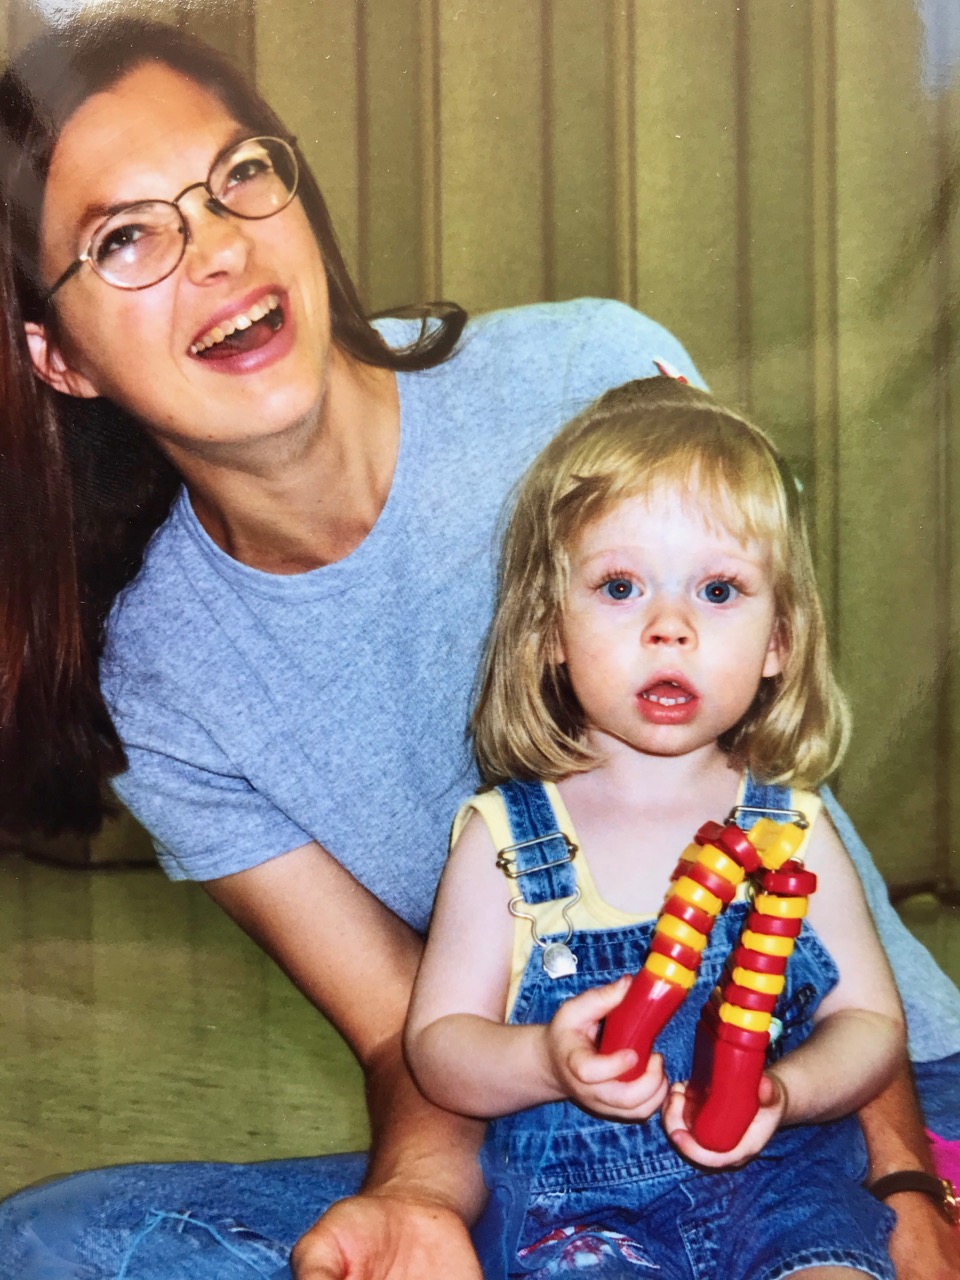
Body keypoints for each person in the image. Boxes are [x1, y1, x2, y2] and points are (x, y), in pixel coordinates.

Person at [0, 14, 956, 1280]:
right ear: (56, 357)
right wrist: (416, 1207)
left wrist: (896, 1180)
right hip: (546, 1140)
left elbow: (772, 806)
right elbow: (414, 1032)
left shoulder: (580, 375)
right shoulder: (161, 671)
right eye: (126, 237)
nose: (220, 247)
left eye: (237, 176)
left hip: (839, 1096)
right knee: (52, 1246)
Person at [404, 377, 907, 1280]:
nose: (669, 628)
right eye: (621, 586)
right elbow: (441, 1050)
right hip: (580, 1219)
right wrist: (549, 1061)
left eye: (718, 590)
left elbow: (869, 1021)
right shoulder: (505, 840)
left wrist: (785, 1092)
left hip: (781, 1189)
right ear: (549, 629)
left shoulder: (794, 829)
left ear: (779, 642)